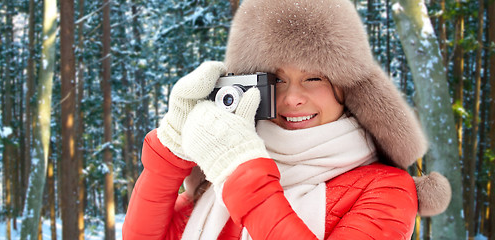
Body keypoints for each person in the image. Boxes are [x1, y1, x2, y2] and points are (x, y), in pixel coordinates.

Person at [122, 0, 452, 239]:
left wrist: (243, 171)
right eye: (276, 80)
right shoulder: (221, 179)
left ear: (348, 88)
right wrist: (170, 149)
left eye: (314, 79)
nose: (292, 97)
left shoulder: (386, 189)